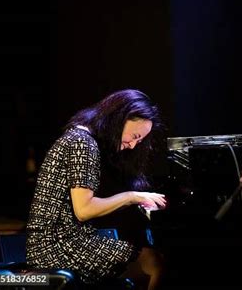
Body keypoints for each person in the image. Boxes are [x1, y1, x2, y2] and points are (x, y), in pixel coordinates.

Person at [26, 89, 167, 290]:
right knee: (152, 262)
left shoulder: (79, 137)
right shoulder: (83, 144)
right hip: (55, 247)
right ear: (121, 118)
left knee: (148, 259)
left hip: (56, 243)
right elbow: (84, 210)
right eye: (135, 136)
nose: (134, 145)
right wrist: (132, 196)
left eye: (140, 141)